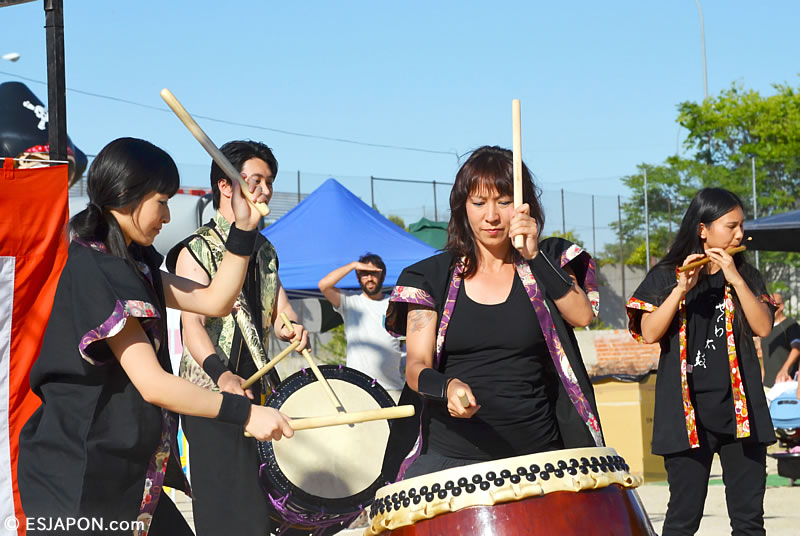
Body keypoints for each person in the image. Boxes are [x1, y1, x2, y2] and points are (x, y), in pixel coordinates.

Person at [18, 138, 295, 536]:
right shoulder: (95, 268)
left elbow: (215, 300)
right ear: (125, 195)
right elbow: (153, 384)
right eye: (161, 201)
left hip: (125, 470)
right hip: (79, 477)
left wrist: (244, 228)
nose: (167, 215)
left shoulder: (135, 266)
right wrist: (247, 413)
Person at [381, 145, 603, 480]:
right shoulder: (429, 277)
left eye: (504, 201)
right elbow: (415, 367)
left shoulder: (549, 260)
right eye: (479, 202)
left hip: (540, 456)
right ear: (462, 207)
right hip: (451, 457)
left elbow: (582, 316)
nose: (492, 216)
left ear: (524, 206)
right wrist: (446, 386)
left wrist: (533, 255)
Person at [166, 140, 307, 536]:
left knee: (267, 508)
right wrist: (222, 374)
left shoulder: (266, 251)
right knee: (226, 507)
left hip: (260, 392)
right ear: (226, 186)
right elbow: (191, 326)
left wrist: (291, 326)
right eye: (255, 180)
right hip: (210, 396)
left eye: (269, 182)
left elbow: (280, 311)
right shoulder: (195, 249)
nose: (264, 190)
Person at [626, 187, 776, 536]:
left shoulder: (747, 276)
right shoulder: (666, 275)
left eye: (741, 227)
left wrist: (735, 279)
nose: (739, 234)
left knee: (749, 522)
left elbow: (763, 327)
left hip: (742, 414)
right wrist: (680, 289)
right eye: (731, 226)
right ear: (703, 229)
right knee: (682, 520)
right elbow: (648, 333)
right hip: (686, 416)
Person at [318, 254, 405, 399]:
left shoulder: (394, 303)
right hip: (358, 387)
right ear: (358, 278)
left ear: (383, 276)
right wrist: (353, 265)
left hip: (392, 388)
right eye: (364, 274)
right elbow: (323, 285)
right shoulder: (350, 301)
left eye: (374, 273)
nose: (370, 278)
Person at [761, 292, 800, 387]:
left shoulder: (790, 325)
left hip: (785, 384)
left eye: (774, 305)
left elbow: (797, 348)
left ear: (781, 307)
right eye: (768, 305)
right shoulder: (765, 329)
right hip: (767, 386)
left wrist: (784, 369)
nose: (771, 308)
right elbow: (764, 358)